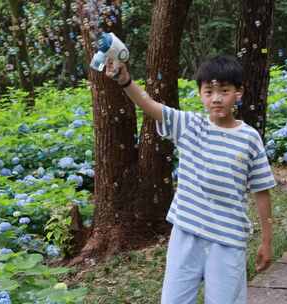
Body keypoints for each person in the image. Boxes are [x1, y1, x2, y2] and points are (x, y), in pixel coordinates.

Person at [104, 55, 276, 304]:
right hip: (186, 233)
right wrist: (125, 80)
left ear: (238, 93)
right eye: (209, 92)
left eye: (224, 91)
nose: (216, 98)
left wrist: (267, 242)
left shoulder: (249, 139)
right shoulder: (189, 125)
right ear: (200, 94)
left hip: (227, 241)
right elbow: (149, 105)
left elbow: (262, 191)